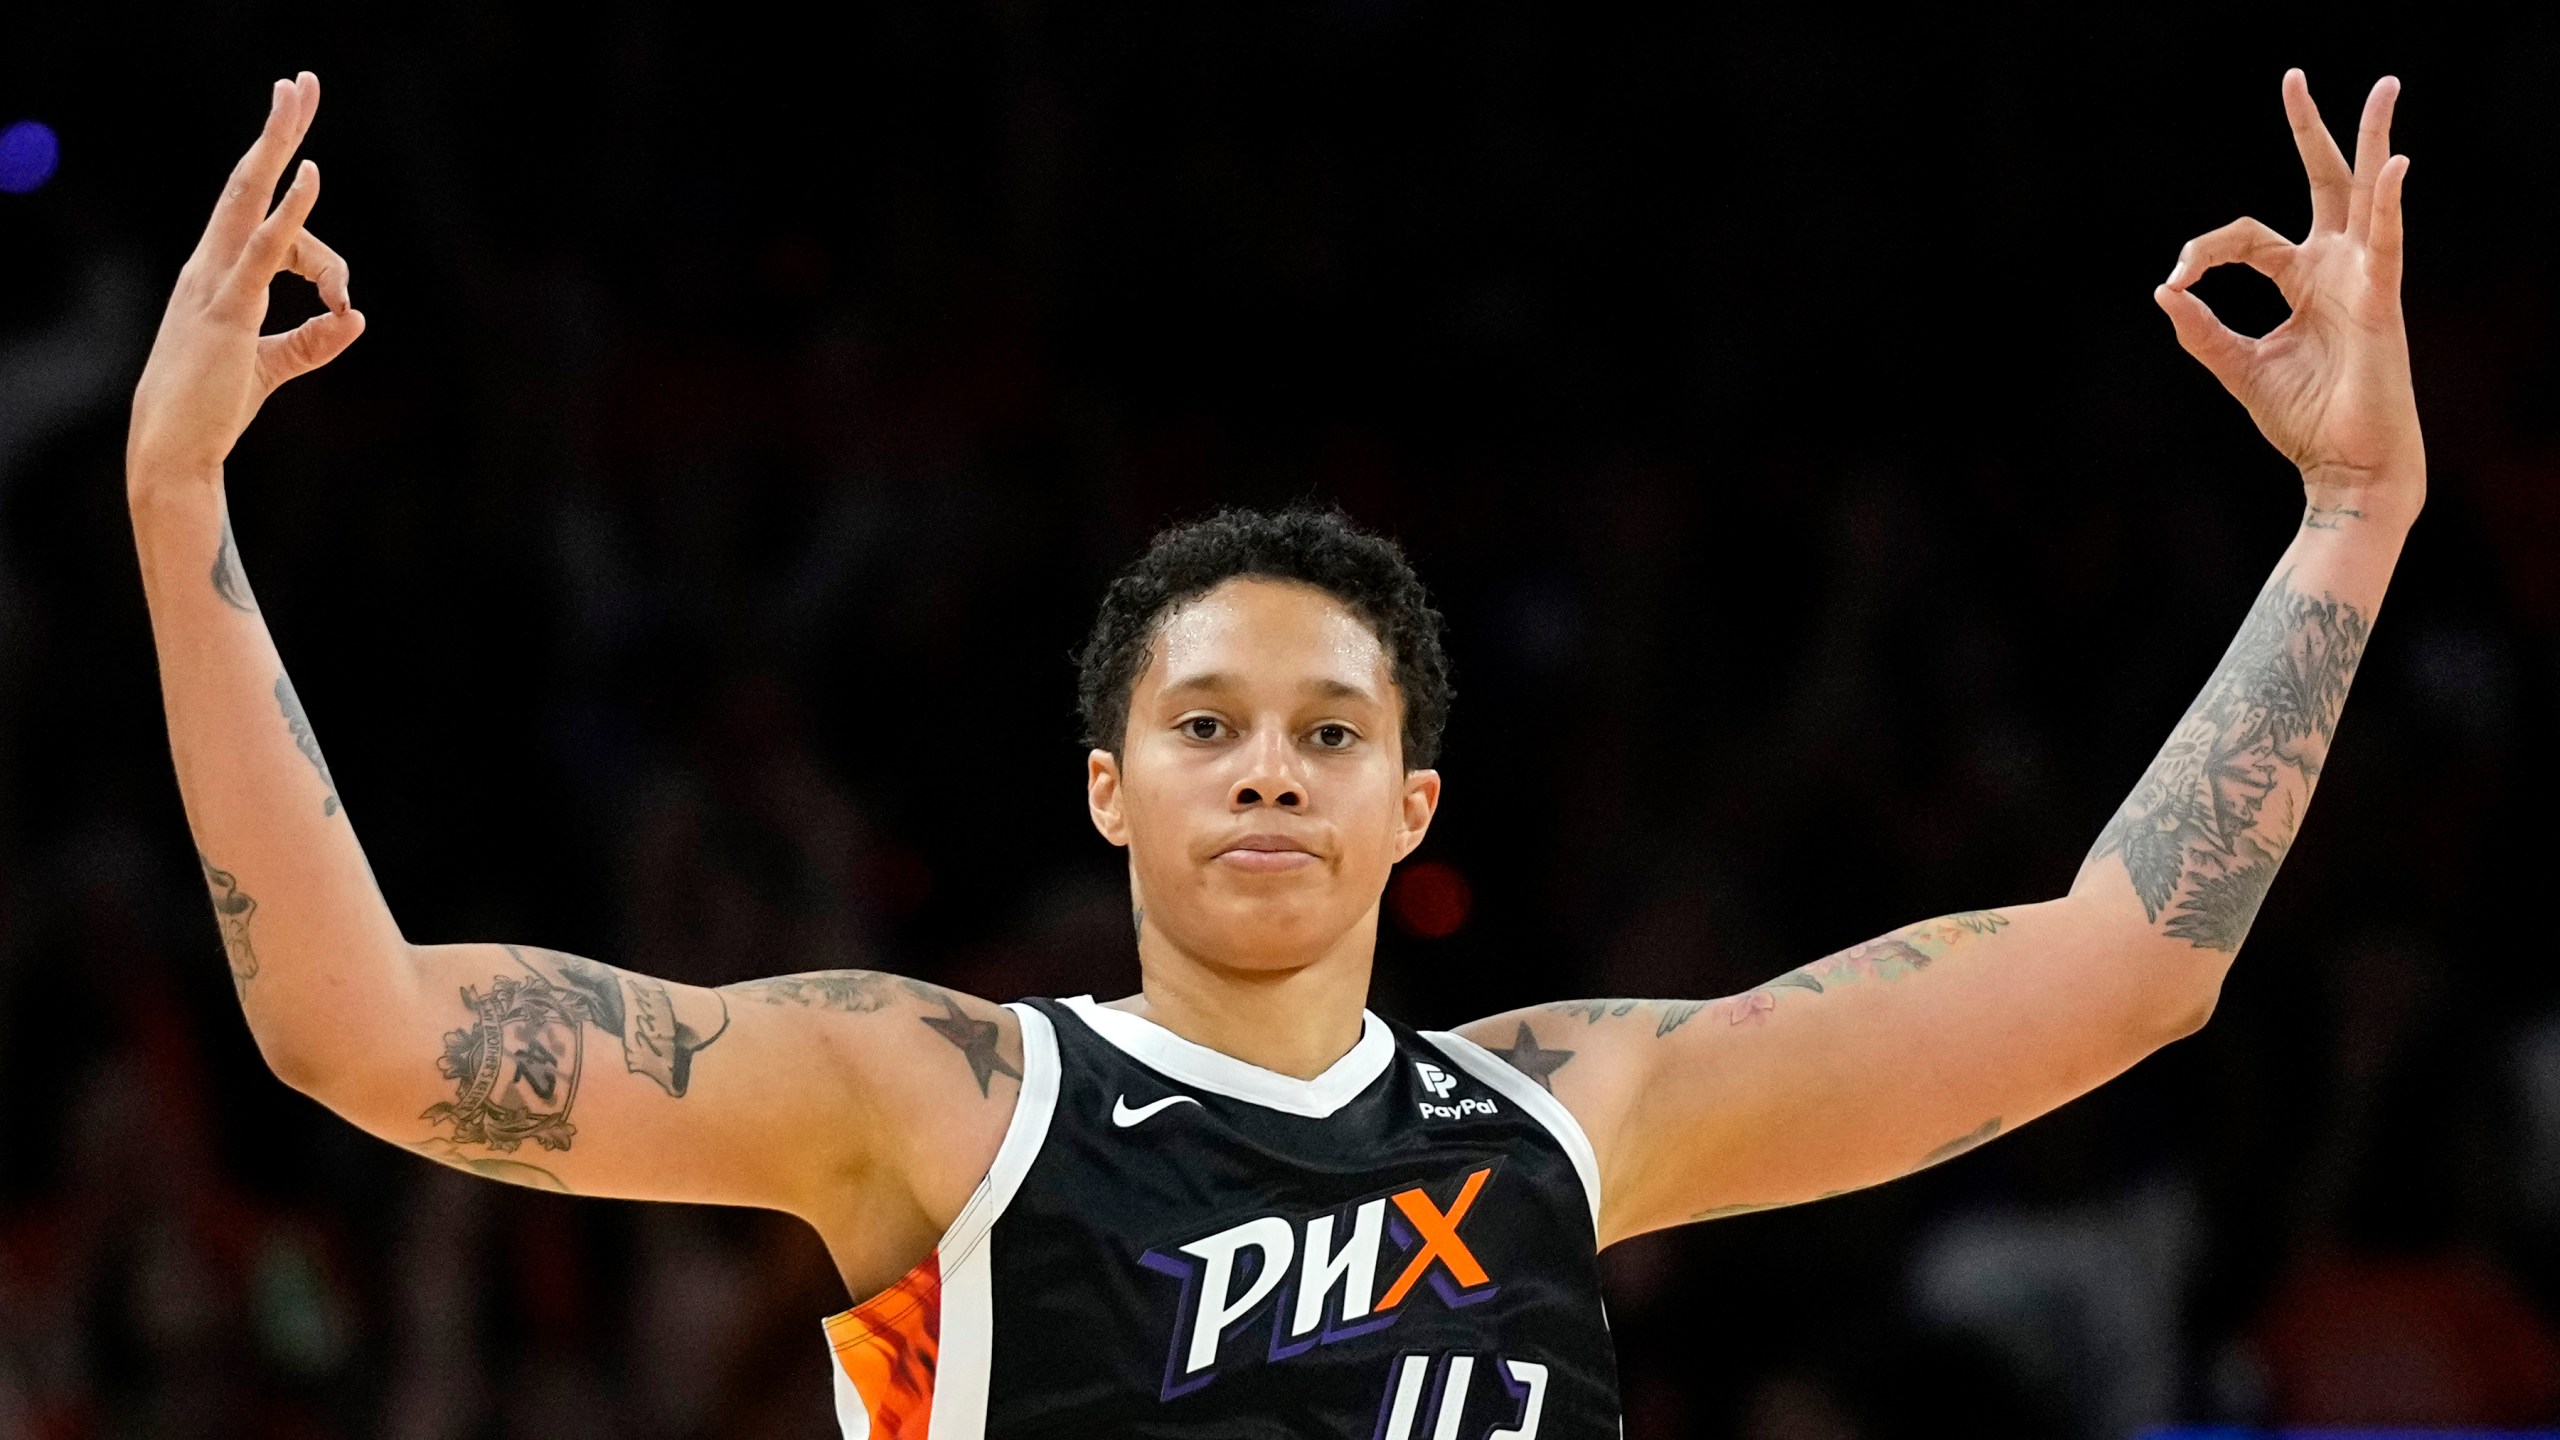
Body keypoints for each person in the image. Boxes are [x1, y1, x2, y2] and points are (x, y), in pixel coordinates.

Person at [123, 68, 2422, 1439]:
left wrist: (2345, 519)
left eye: (1331, 731)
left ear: (1412, 808)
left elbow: (2122, 966)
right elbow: (358, 1025)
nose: (1265, 769)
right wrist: (177, 506)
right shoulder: (937, 1098)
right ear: (1108, 786)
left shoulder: (1566, 1113)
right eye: (1201, 724)